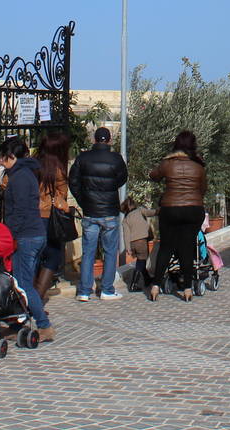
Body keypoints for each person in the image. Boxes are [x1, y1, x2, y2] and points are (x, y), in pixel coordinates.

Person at [0, 137, 54, 341]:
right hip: (33, 233)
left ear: (12, 156)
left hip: (26, 236)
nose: (0, 162)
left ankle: (43, 325)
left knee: (23, 284)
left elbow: (19, 211)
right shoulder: (25, 173)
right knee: (22, 282)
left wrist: (10, 236)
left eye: (3, 158)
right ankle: (19, 321)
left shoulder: (20, 177)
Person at [147, 129, 208, 302]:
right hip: (194, 209)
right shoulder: (199, 165)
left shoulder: (168, 163)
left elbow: (153, 176)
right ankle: (188, 289)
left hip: (170, 208)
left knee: (166, 246)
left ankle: (156, 286)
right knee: (187, 247)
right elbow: (203, 189)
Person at [68, 126, 128, 301]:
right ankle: (107, 289)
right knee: (110, 251)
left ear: (94, 139)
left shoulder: (83, 158)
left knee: (88, 251)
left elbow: (73, 181)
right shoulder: (116, 159)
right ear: (109, 140)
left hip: (90, 212)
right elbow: (122, 178)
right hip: (109, 211)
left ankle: (84, 291)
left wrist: (83, 201)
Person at [33, 130, 73, 302]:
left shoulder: (33, 164)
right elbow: (62, 195)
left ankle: (29, 294)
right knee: (53, 255)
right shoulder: (58, 170)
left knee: (33, 254)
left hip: (32, 214)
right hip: (48, 216)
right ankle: (37, 296)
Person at [121, 197, 155, 266]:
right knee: (142, 261)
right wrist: (159, 211)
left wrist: (128, 248)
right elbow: (150, 212)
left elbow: (126, 235)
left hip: (132, 244)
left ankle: (144, 276)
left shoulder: (125, 219)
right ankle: (137, 274)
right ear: (133, 204)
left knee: (140, 260)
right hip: (142, 241)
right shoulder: (140, 210)